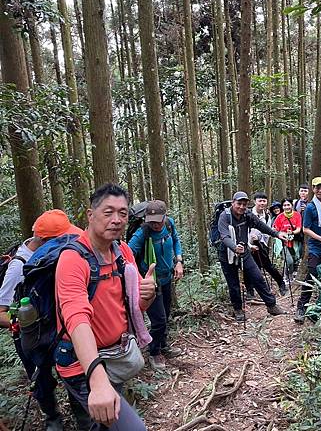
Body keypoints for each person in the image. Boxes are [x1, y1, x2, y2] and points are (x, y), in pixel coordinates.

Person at [55, 183, 156, 430]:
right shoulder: (72, 259)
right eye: (108, 212)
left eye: (123, 213)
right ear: (90, 215)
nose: (117, 220)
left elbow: (134, 308)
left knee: (98, 422)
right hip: (82, 364)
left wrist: (148, 295)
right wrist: (97, 378)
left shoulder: (122, 251)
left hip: (113, 357)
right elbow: (76, 318)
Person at [0, 210, 84, 431]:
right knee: (42, 381)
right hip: (31, 334)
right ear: (47, 240)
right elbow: (1, 312)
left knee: (72, 370)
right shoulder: (19, 266)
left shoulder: (58, 254)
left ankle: (80, 412)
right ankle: (52, 416)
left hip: (58, 328)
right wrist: (23, 321)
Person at [128, 199, 184, 370]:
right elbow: (128, 255)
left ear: (165, 216)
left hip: (167, 278)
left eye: (158, 220)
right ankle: (154, 352)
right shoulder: (142, 233)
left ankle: (163, 344)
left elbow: (175, 240)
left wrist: (179, 261)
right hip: (151, 283)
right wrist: (139, 278)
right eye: (151, 221)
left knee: (165, 314)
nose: (156, 225)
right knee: (158, 320)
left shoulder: (169, 224)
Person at [217, 191, 289, 321]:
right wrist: (234, 247)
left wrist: (276, 234)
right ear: (233, 203)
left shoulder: (247, 215)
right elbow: (224, 236)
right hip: (226, 253)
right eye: (239, 203)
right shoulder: (224, 216)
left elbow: (260, 225)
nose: (242, 207)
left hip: (244, 251)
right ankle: (238, 309)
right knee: (233, 283)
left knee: (257, 277)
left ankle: (271, 305)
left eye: (244, 204)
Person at [294, 177, 321, 324]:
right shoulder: (310, 208)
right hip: (316, 248)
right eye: (317, 188)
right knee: (311, 277)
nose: (320, 190)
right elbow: (306, 229)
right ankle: (301, 308)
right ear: (313, 189)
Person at [245, 192, 286, 298]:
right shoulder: (247, 214)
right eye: (260, 201)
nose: (262, 203)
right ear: (254, 201)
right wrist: (249, 244)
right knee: (248, 268)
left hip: (261, 244)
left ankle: (281, 283)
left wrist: (261, 242)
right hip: (247, 245)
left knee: (268, 266)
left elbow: (266, 231)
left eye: (264, 201)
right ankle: (250, 291)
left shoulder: (267, 216)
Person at [272, 198, 303, 282]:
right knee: (289, 261)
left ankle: (290, 275)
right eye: (285, 205)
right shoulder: (280, 217)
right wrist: (281, 233)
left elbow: (298, 228)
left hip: (294, 241)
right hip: (282, 242)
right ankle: (287, 276)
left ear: (292, 206)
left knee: (295, 259)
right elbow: (275, 229)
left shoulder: (297, 215)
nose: (287, 207)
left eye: (288, 205)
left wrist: (292, 232)